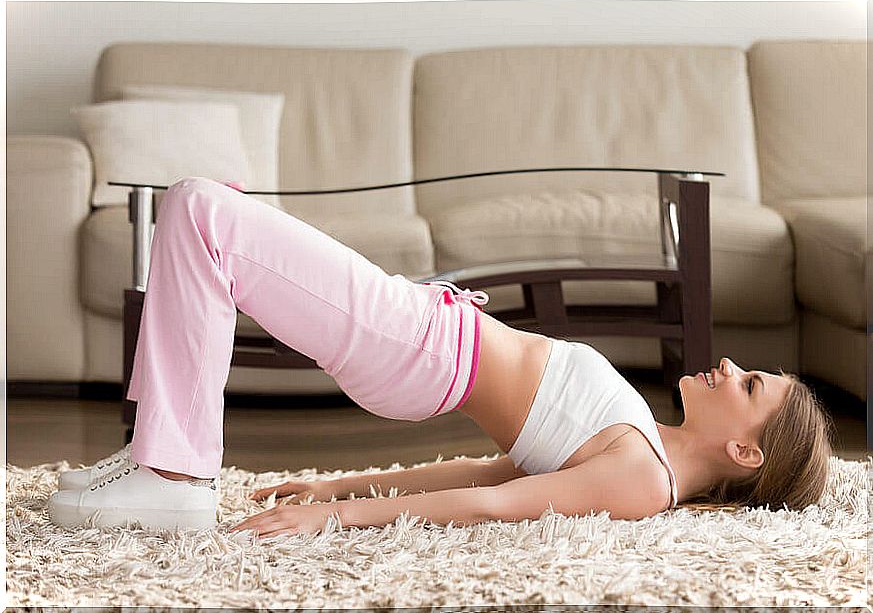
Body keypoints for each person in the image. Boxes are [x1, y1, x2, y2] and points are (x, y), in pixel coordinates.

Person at [47, 177, 835, 538]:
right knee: (208, 214)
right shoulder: (648, 451)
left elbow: (493, 508)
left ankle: (175, 477)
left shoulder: (641, 481)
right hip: (419, 330)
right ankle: (158, 458)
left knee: (203, 210)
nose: (731, 367)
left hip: (417, 346)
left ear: (745, 448)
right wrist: (337, 482)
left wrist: (339, 518)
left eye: (751, 383)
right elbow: (486, 472)